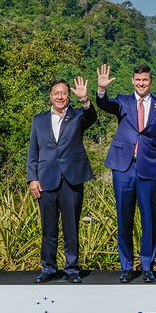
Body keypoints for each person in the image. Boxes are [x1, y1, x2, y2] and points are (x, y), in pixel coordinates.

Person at [96, 63, 156, 283]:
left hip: (149, 169)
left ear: (151, 81)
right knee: (124, 218)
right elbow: (104, 104)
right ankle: (127, 266)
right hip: (123, 167)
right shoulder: (122, 101)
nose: (141, 84)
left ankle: (147, 266)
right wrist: (101, 90)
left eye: (145, 80)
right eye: (138, 80)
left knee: (149, 218)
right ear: (132, 80)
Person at [27, 77, 97, 284]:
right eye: (56, 93)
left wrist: (85, 100)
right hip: (46, 180)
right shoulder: (38, 120)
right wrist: (33, 178)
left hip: (72, 179)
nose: (60, 96)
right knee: (48, 228)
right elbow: (33, 152)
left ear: (69, 96)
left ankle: (72, 268)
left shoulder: (78, 116)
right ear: (50, 96)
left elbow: (91, 117)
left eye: (64, 93)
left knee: (71, 227)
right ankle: (48, 268)